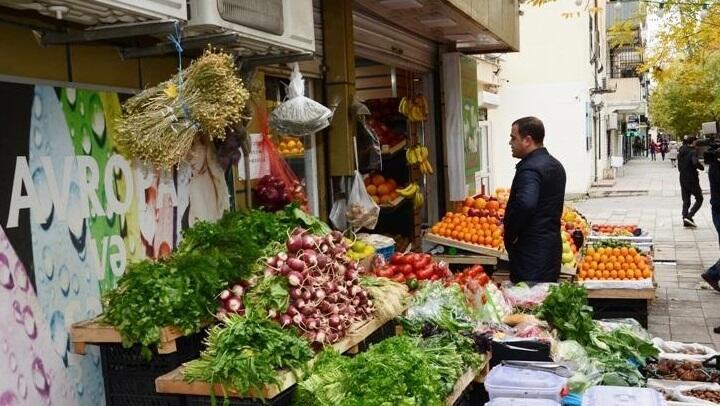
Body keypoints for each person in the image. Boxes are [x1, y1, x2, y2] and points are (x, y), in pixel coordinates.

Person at [504, 117, 567, 283]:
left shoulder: (530, 169)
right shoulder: (556, 165)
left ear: (527, 140)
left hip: (530, 255)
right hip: (550, 250)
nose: (510, 143)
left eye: (513, 137)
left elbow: (526, 203)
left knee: (528, 303)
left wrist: (511, 233)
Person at [678, 136, 704, 227]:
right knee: (700, 198)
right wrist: (701, 167)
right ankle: (689, 216)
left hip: (682, 177)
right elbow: (695, 162)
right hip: (692, 178)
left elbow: (679, 166)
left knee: (686, 200)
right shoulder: (693, 151)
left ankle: (685, 219)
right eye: (695, 142)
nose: (696, 144)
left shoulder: (681, 151)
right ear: (693, 142)